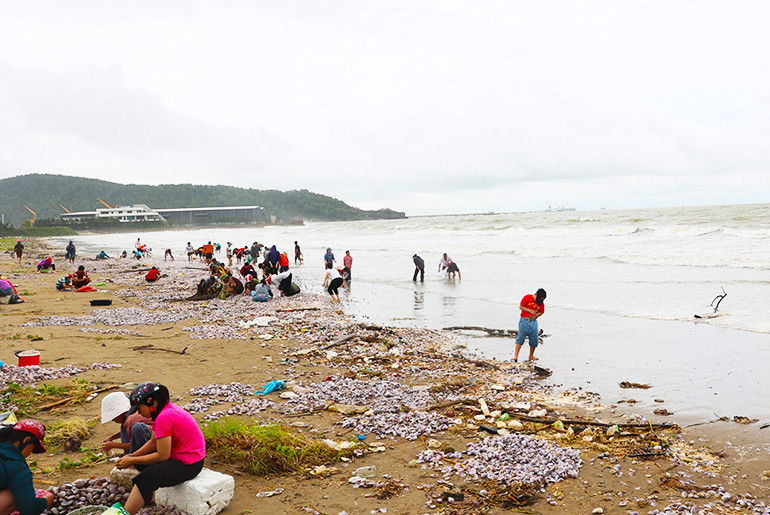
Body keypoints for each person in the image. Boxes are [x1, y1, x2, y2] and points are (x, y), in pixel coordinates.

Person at [115, 382, 205, 515]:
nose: (139, 413)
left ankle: (125, 513)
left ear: (150, 401)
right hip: (181, 456)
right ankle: (147, 496)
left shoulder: (164, 417)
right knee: (141, 464)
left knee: (145, 479)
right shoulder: (164, 411)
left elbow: (163, 455)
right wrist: (132, 456)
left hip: (190, 463)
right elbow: (153, 442)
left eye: (139, 408)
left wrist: (132, 460)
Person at [0, 419, 54, 515]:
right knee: (14, 494)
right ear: (26, 440)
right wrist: (47, 499)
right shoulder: (16, 465)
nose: (29, 454)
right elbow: (30, 509)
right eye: (32, 449)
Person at [100, 391, 153, 456]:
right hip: (149, 435)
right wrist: (112, 437)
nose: (113, 420)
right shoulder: (129, 416)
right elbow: (129, 430)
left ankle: (136, 457)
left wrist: (113, 445)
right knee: (124, 426)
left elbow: (133, 444)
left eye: (113, 417)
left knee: (136, 427)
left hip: (152, 444)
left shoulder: (131, 419)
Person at [513, 288, 547, 362]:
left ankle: (531, 355)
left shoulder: (541, 303)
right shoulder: (527, 297)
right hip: (524, 321)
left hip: (533, 322)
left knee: (534, 339)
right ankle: (516, 356)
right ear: (535, 294)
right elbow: (521, 307)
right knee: (520, 337)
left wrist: (536, 315)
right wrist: (529, 310)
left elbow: (541, 312)